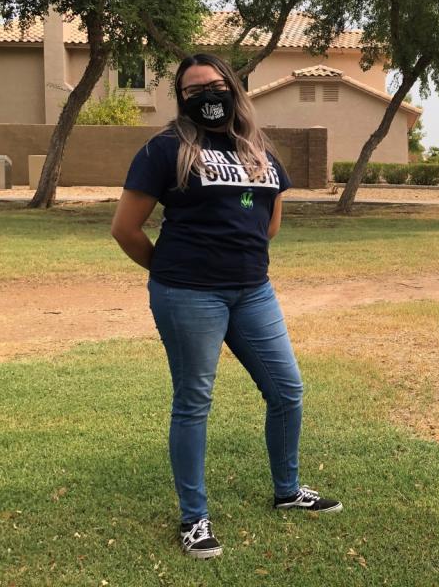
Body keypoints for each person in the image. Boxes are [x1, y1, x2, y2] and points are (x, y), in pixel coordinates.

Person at [111, 53, 341, 560]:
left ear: (234, 89)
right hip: (188, 293)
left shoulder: (258, 149)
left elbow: (270, 221)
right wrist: (171, 274)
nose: (207, 96)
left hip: (253, 292)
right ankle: (194, 519)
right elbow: (125, 229)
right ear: (181, 99)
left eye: (215, 86)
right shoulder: (164, 148)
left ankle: (288, 490)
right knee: (194, 402)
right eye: (194, 91)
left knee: (287, 390)